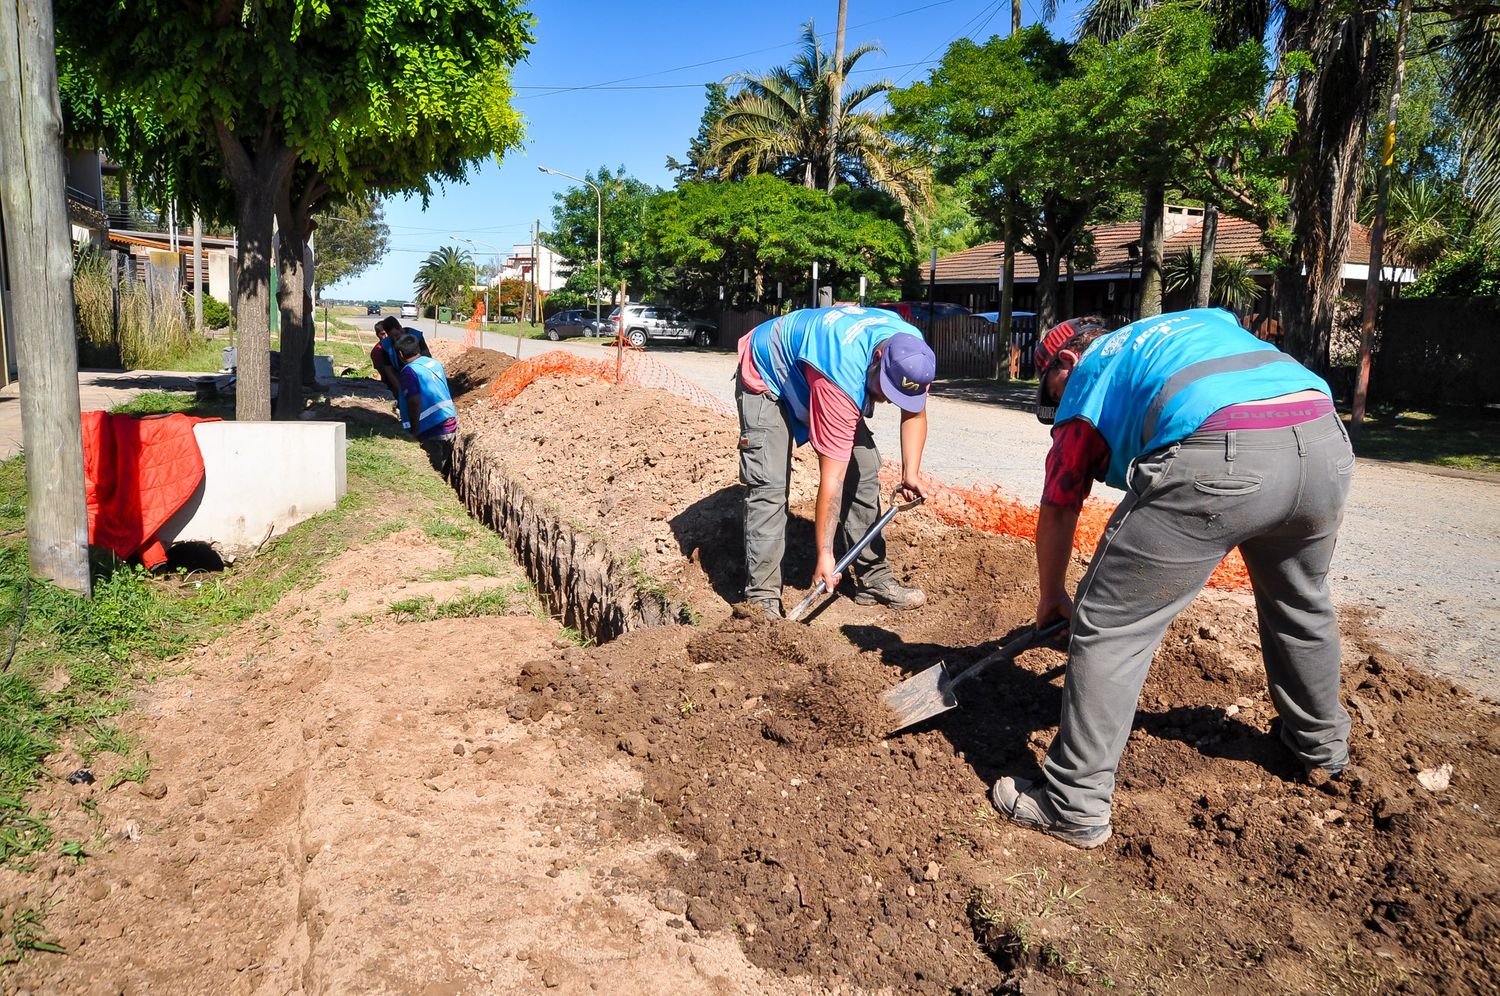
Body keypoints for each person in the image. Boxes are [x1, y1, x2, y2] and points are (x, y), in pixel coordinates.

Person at [992, 308, 1355, 849]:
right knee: (1300, 603)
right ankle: (1321, 748)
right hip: (1324, 439)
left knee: (1111, 626)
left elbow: (1060, 503)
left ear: (1066, 362)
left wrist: (1052, 596)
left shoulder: (1090, 376)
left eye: (1051, 384)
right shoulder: (1188, 324)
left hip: (1222, 453)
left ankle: (1073, 803)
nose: (1058, 401)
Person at [736, 305, 937, 618]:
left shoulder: (913, 353)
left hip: (817, 363)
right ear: (878, 359)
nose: (886, 400)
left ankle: (874, 578)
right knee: (770, 485)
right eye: (885, 390)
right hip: (768, 374)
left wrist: (910, 473)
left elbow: (915, 412)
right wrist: (825, 554)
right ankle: (762, 602)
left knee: (866, 468)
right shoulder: (840, 374)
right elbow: (833, 478)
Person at [395, 334, 457, 470]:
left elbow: (414, 402)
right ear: (418, 349)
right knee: (441, 470)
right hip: (450, 424)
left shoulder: (409, 371)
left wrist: (414, 430)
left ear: (400, 354)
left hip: (431, 430)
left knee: (434, 470)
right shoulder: (434, 363)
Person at [372, 315, 432, 403]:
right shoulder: (386, 345)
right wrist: (401, 390)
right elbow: (389, 370)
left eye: (396, 335)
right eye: (392, 337)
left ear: (401, 328)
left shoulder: (416, 336)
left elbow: (427, 358)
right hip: (399, 379)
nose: (395, 339)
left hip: (419, 376)